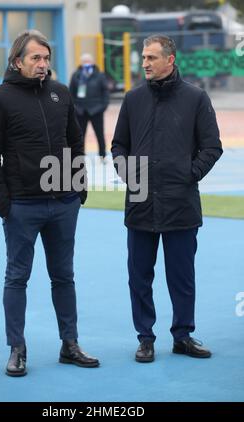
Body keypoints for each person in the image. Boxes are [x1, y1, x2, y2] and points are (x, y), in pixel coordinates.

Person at [0, 30, 99, 376]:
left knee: (64, 276)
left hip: (64, 203)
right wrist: (5, 205)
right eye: (36, 58)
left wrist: (79, 189)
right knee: (17, 277)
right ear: (18, 61)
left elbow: (76, 142)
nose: (43, 64)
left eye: (46, 58)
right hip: (22, 206)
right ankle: (17, 348)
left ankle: (70, 344)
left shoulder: (60, 93)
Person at [111, 34, 223, 363]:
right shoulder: (133, 99)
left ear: (170, 60)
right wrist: (131, 176)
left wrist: (189, 174)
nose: (144, 63)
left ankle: (183, 336)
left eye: (150, 58)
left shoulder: (196, 98)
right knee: (139, 275)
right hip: (141, 203)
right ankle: (145, 338)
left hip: (181, 205)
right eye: (143, 58)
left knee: (181, 275)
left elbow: (212, 146)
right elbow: (118, 146)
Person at [69, 53, 109, 161]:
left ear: (92, 62)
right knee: (79, 135)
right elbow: (70, 93)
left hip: (96, 110)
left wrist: (103, 106)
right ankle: (80, 156)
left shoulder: (99, 75)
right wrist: (75, 107)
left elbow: (105, 92)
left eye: (88, 61)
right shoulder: (76, 75)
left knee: (99, 134)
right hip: (80, 110)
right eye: (84, 62)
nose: (86, 64)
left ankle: (102, 155)